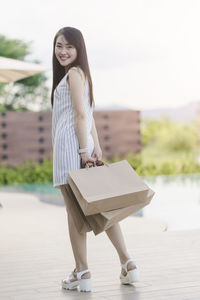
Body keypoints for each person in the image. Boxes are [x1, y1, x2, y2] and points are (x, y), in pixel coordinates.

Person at [51, 26, 138, 292]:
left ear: (79, 49)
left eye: (69, 46)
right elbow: (88, 115)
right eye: (59, 46)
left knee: (75, 214)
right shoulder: (81, 75)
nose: (63, 51)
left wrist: (83, 153)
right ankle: (128, 263)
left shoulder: (73, 75)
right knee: (101, 208)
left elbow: (80, 115)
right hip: (82, 146)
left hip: (71, 149)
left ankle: (82, 271)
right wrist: (95, 146)